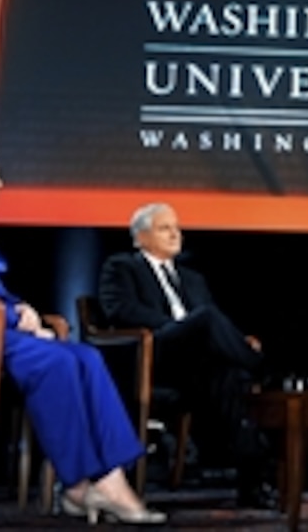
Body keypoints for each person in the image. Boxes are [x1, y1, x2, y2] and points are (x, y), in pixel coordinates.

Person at [0, 142, 165, 525]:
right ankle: (80, 486)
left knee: (86, 357)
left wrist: (23, 312)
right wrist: (14, 316)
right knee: (56, 361)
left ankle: (106, 479)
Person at [97, 203, 276, 509]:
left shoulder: (192, 278)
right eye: (165, 228)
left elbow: (211, 328)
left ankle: (253, 482)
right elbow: (120, 309)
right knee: (206, 319)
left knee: (231, 378)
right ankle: (265, 369)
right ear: (140, 237)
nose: (175, 234)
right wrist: (178, 327)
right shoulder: (122, 266)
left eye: (177, 228)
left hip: (196, 365)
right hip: (155, 355)